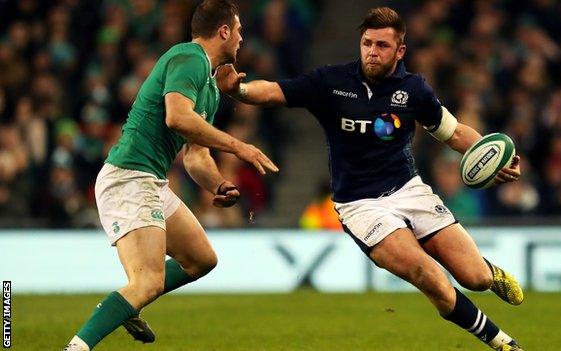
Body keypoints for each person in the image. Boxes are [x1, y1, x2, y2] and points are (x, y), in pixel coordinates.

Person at [217, 7, 524, 351]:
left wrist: (493, 157)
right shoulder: (331, 83)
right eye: (367, 43)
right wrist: (239, 91)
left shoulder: (414, 90)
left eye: (381, 45)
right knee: (429, 276)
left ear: (400, 51)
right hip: (360, 205)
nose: (372, 52)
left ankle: (489, 272)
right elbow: (274, 91)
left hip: (410, 190)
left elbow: (453, 134)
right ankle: (501, 342)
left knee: (475, 278)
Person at [63, 1, 278, 350]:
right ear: (223, 31)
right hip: (129, 176)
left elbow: (195, 155)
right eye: (238, 29)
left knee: (201, 260)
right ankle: (78, 345)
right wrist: (239, 147)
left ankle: (126, 303)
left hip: (151, 180)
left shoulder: (208, 87)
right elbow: (176, 118)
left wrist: (218, 183)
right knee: (148, 281)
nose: (241, 37)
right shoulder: (189, 58)